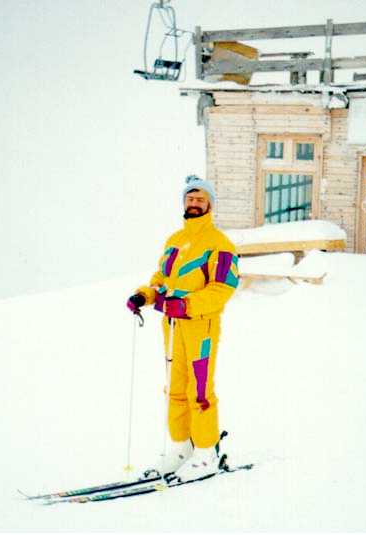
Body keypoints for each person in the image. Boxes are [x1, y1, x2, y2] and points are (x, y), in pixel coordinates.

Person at [126, 175, 239, 482]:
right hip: (173, 326)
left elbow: (223, 288)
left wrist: (187, 305)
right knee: (175, 389)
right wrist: (144, 295)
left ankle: (205, 454)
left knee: (199, 391)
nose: (194, 203)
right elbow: (160, 279)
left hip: (201, 326)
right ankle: (180, 449)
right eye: (190, 198)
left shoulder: (220, 244)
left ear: (210, 205)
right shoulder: (174, 240)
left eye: (200, 199)